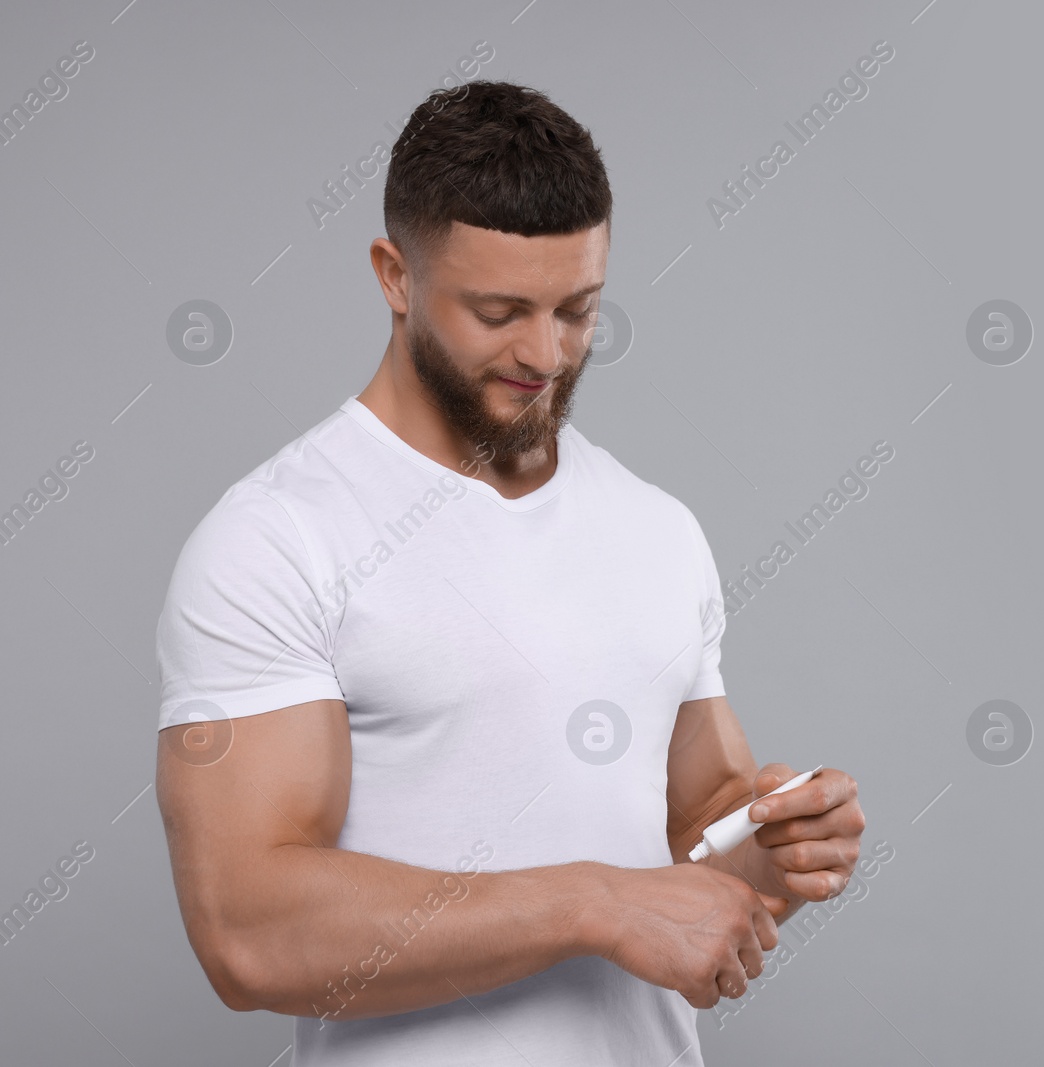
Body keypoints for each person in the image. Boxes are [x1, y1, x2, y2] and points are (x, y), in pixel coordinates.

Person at [153, 79, 865, 1067]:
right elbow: (248, 931)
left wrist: (774, 846)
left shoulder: (655, 526)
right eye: (499, 311)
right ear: (394, 275)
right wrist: (591, 898)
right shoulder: (277, 538)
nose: (545, 353)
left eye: (577, 309)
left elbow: (698, 826)